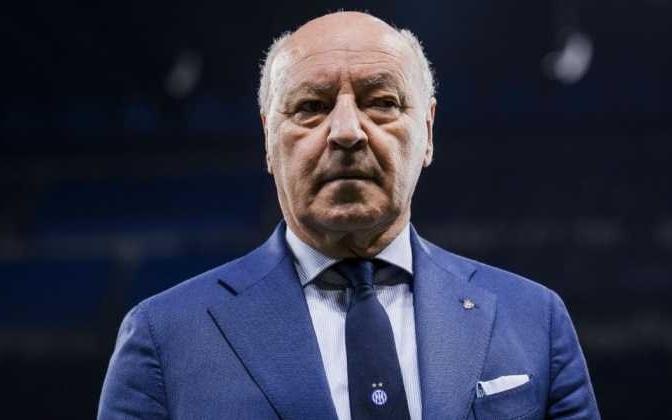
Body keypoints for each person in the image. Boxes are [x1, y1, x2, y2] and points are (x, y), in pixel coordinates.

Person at [98, 11, 600, 420]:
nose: (346, 131)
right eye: (310, 106)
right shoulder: (164, 337)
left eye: (380, 102)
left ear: (427, 132)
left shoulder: (535, 319)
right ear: (268, 140)